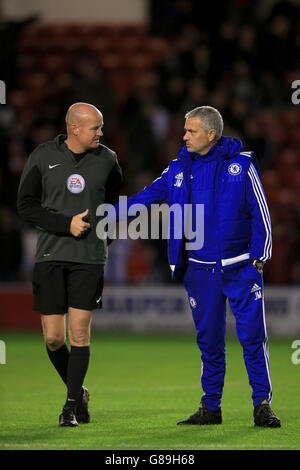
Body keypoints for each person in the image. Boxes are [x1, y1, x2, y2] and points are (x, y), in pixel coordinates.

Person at [113, 105, 280, 427]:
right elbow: (145, 197)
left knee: (252, 338)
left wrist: (260, 257)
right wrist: (105, 215)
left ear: (211, 134)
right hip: (199, 270)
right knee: (209, 342)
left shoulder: (242, 165)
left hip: (241, 267)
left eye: (190, 131)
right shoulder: (177, 168)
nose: (184, 136)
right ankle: (211, 407)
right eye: (185, 130)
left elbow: (262, 212)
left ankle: (262, 404)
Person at [17, 102, 123, 427]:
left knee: (79, 332)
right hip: (50, 255)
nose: (101, 133)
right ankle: (80, 391)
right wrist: (66, 224)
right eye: (95, 127)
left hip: (88, 259)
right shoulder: (42, 156)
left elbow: (113, 204)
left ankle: (70, 406)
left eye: (101, 127)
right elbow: (26, 205)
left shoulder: (108, 159)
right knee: (53, 339)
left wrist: (102, 238)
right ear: (74, 128)